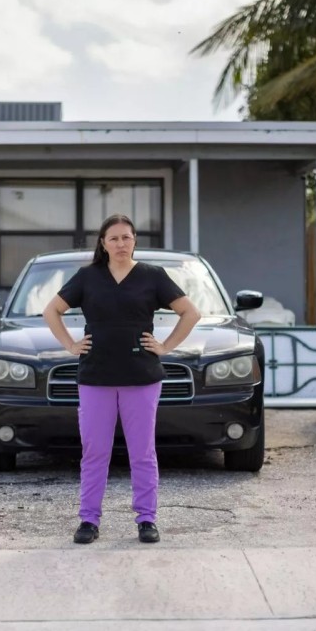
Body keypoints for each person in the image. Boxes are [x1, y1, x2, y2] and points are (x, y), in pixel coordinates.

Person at [43, 214, 201, 544]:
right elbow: (51, 311)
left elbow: (191, 312)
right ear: (103, 243)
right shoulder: (88, 277)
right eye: (113, 238)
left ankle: (146, 519)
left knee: (142, 452)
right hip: (95, 376)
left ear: (134, 241)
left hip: (141, 376)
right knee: (95, 452)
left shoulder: (152, 276)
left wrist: (165, 346)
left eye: (126, 237)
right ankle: (89, 520)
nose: (120, 244)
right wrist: (71, 345)